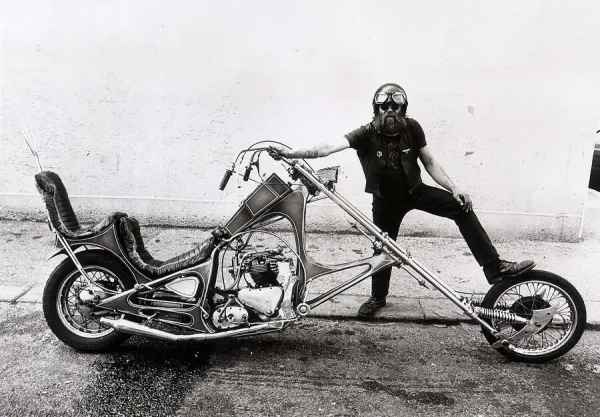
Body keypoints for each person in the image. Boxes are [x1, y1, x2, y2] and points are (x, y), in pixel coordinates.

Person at [269, 83, 535, 318]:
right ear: (376, 110)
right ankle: (378, 298)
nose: (390, 112)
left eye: (395, 107)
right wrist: (290, 154)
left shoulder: (412, 128)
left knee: (461, 207)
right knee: (383, 249)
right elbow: (324, 148)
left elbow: (429, 162)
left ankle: (494, 268)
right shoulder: (365, 133)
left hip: (415, 191)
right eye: (383, 107)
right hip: (385, 201)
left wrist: (455, 188)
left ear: (403, 109)